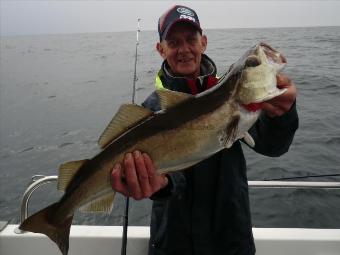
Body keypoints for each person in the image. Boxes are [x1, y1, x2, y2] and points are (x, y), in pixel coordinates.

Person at [111, 5, 298, 255]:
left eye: (191, 39)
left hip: (230, 241)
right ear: (161, 49)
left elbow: (274, 147)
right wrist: (162, 184)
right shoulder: (151, 110)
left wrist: (282, 115)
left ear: (204, 43)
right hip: (173, 245)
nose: (184, 49)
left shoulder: (232, 98)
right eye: (174, 42)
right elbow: (170, 177)